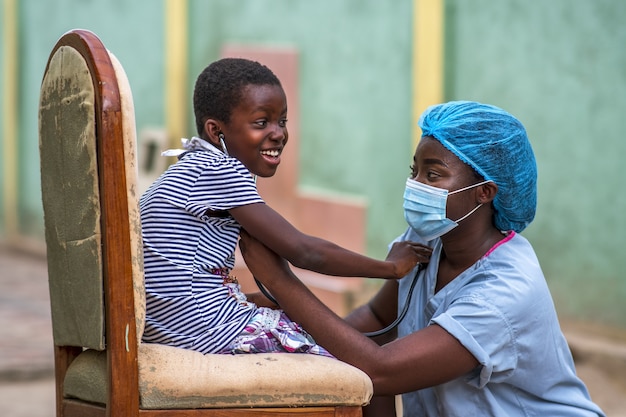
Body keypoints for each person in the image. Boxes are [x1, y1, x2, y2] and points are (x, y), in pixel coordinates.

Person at [239, 101, 605, 416]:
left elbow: (381, 369)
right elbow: (380, 320)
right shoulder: (429, 240)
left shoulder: (503, 295)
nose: (415, 185)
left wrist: (280, 282)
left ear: (485, 192)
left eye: (433, 175)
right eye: (414, 171)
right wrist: (301, 341)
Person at [139, 58, 431, 357]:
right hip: (206, 332)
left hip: (172, 328)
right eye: (261, 122)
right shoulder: (220, 170)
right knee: (354, 361)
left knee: (311, 325)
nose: (278, 133)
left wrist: (250, 297)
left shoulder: (191, 167)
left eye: (282, 121)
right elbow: (305, 252)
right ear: (216, 132)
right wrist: (390, 268)